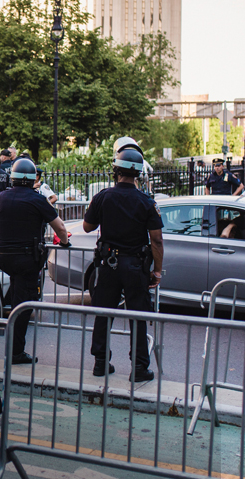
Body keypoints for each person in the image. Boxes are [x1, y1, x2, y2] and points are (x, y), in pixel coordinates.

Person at [83, 144, 164, 382]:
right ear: (138, 173)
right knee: (138, 316)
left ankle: (100, 363)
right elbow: (157, 241)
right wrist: (156, 272)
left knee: (103, 313)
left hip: (108, 265)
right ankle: (139, 368)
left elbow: (87, 227)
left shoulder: (102, 197)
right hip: (135, 266)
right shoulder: (146, 202)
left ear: (116, 170)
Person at [0, 157, 69, 364]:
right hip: (26, 260)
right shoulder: (37, 200)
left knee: (17, 299)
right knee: (23, 306)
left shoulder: (0, 197)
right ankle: (16, 352)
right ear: (32, 178)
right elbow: (60, 227)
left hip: (4, 257)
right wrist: (64, 243)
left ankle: (12, 346)